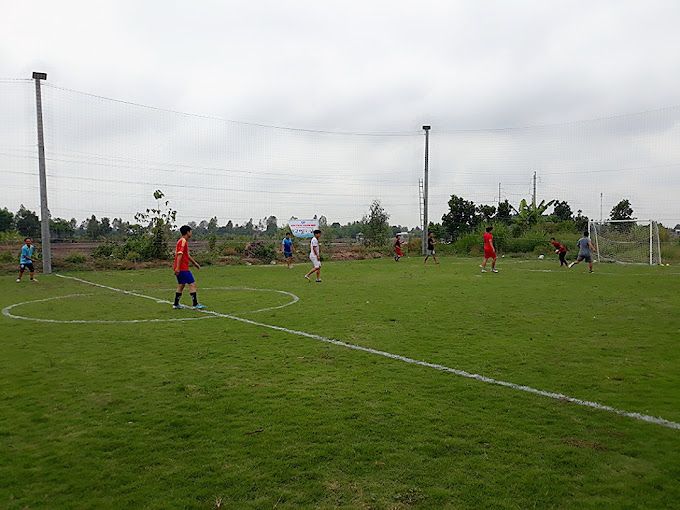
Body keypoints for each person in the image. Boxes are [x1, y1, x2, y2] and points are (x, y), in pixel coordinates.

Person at [172, 225, 206, 309]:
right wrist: (178, 267)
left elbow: (186, 255)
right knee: (192, 284)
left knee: (181, 285)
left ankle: (176, 304)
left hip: (181, 267)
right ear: (187, 232)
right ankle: (195, 304)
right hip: (182, 268)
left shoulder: (182, 241)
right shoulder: (183, 241)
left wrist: (195, 263)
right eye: (191, 231)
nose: (191, 233)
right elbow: (179, 254)